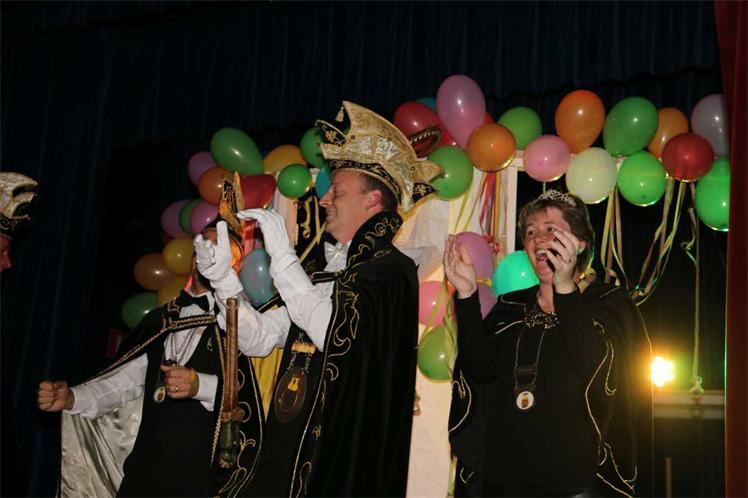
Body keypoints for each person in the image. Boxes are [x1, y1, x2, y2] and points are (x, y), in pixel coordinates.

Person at [215, 101, 441, 496]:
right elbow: (260, 338)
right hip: (288, 448)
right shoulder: (323, 270)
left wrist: (283, 258)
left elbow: (338, 337)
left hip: (334, 462)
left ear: (372, 200)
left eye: (337, 190)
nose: (324, 200)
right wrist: (223, 283)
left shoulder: (389, 272)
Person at [37, 178, 287, 497]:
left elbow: (255, 399)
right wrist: (72, 397)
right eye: (205, 247)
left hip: (202, 481)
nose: (210, 256)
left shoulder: (246, 327)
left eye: (222, 251)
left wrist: (200, 386)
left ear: (234, 266)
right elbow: (124, 382)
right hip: (143, 476)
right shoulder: (160, 319)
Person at [445, 189, 653, 497]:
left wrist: (565, 287)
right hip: (503, 487)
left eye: (550, 229)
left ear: (580, 243)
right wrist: (465, 295)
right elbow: (480, 370)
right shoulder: (510, 307)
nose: (538, 239)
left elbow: (595, 366)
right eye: (530, 233)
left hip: (576, 489)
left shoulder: (608, 304)